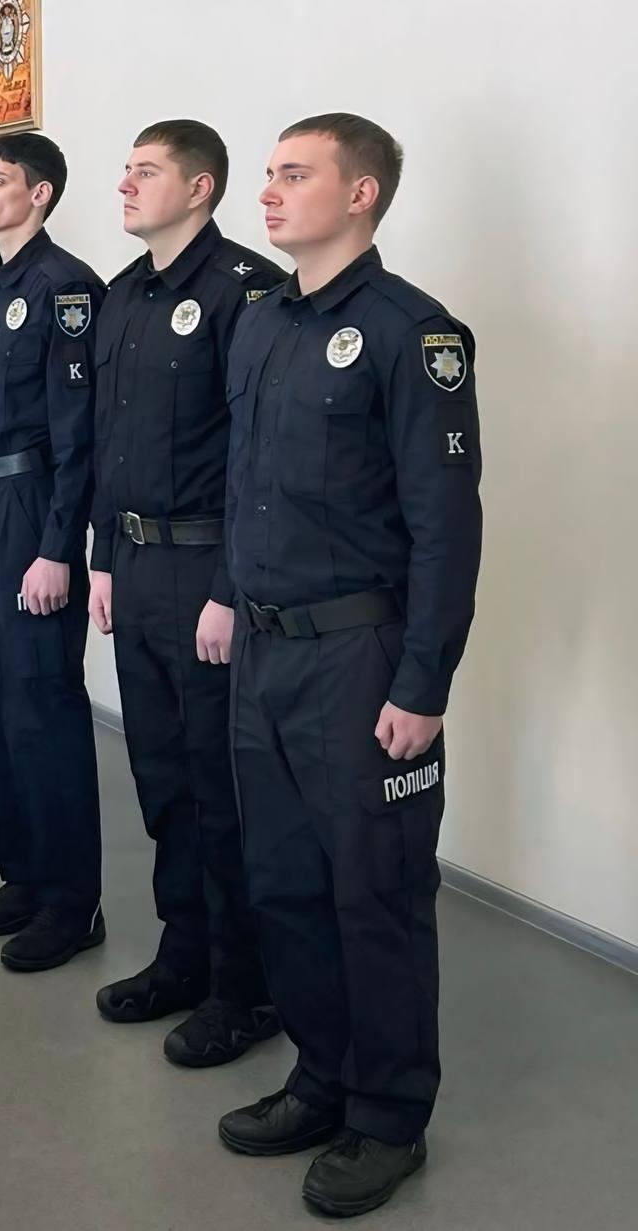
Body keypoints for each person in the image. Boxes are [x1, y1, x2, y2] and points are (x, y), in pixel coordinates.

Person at [216, 113, 482, 1218]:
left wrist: (422, 683)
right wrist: (228, 598)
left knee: (374, 892)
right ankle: (320, 1076)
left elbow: (446, 527)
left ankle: (386, 1114)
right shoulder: (260, 322)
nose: (269, 192)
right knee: (283, 883)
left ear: (360, 193)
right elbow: (243, 485)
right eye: (268, 173)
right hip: (264, 653)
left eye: (295, 174)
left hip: (359, 659)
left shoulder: (412, 334)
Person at [88, 121, 285, 1063]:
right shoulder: (124, 294)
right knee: (161, 779)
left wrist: (227, 588)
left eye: (147, 171)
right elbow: (107, 441)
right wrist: (100, 556)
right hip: (134, 566)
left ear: (200, 187)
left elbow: (255, 457)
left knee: (220, 790)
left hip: (207, 573)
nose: (126, 185)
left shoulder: (247, 291)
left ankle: (247, 989)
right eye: (125, 170)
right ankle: (186, 954)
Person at [0, 134, 104, 972]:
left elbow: (79, 439)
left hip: (29, 513)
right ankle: (23, 877)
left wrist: (57, 549)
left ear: (39, 194)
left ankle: (72, 904)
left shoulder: (65, 288)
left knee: (41, 708)